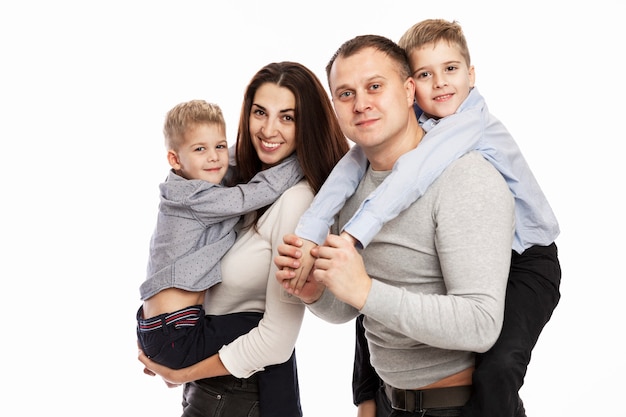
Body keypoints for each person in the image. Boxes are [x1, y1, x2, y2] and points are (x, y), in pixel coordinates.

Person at [289, 19, 561, 417]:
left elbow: (478, 323)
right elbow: (359, 308)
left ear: (406, 91)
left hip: (529, 256)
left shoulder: (462, 152)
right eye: (346, 93)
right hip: (393, 404)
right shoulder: (361, 173)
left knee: (499, 369)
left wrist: (355, 241)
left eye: (375, 86)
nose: (361, 103)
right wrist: (314, 282)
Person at [137, 62, 350, 417]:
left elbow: (277, 342)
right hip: (208, 390)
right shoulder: (229, 183)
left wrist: (179, 371)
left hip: (241, 395)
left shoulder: (295, 200)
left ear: (306, 126)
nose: (268, 129)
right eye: (259, 113)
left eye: (287, 117)